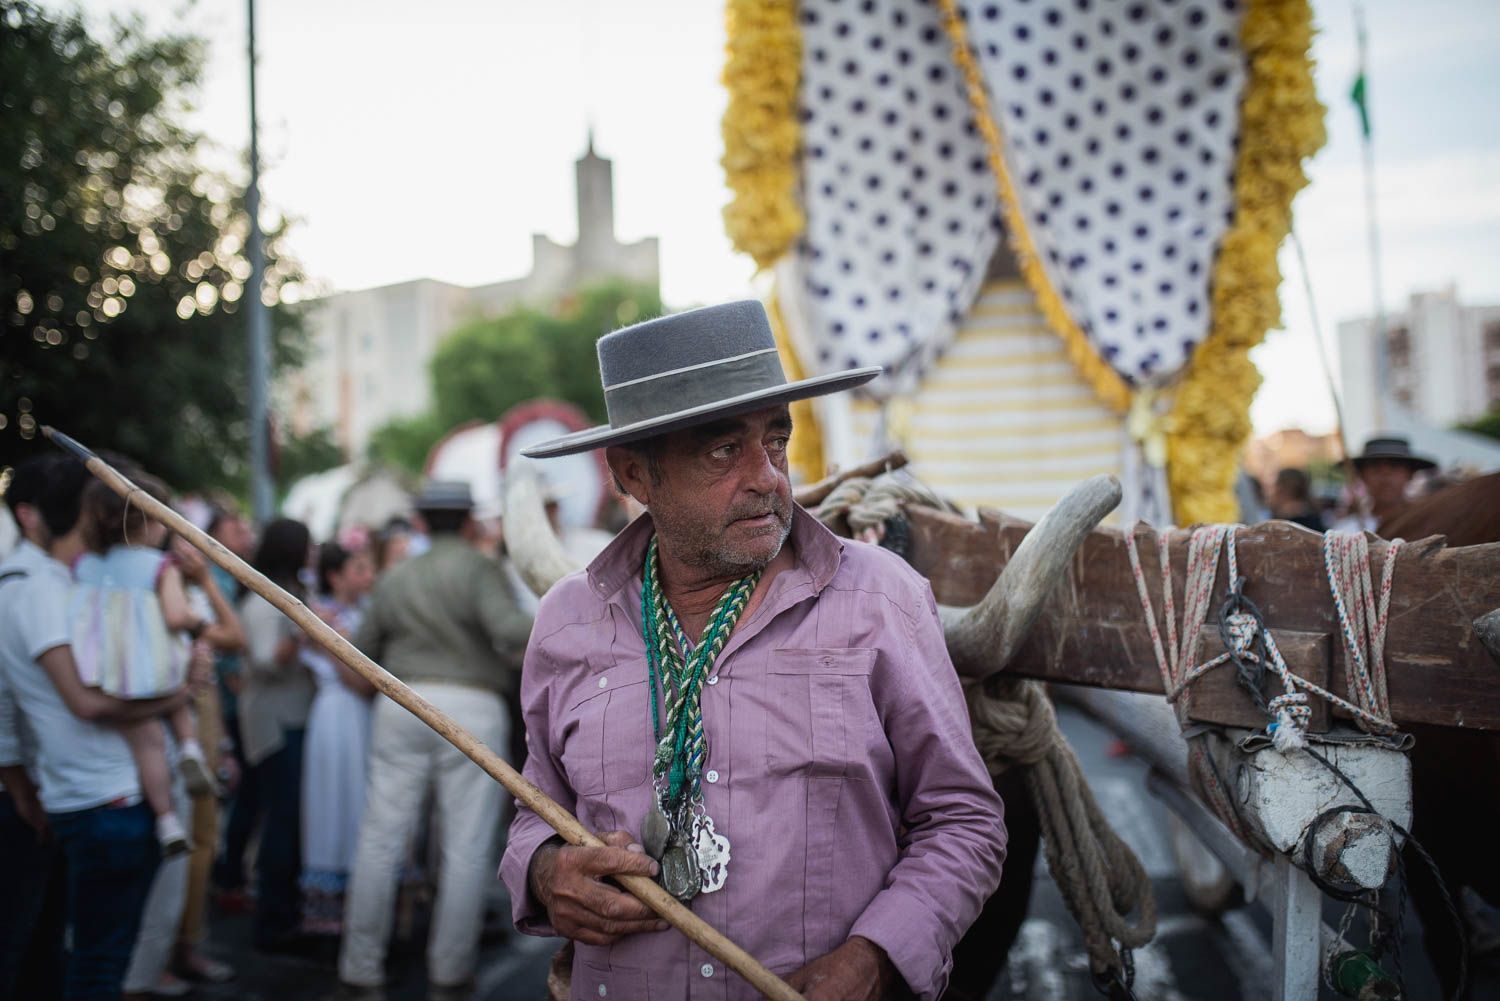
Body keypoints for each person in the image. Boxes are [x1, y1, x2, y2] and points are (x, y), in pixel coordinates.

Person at [501, 301, 1007, 1001]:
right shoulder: (565, 623)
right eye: (721, 450)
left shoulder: (881, 602)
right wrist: (545, 870)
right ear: (633, 473)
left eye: (776, 440)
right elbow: (535, 808)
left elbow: (964, 819)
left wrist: (875, 955)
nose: (768, 477)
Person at [0, 456, 206, 1001]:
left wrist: (21, 779)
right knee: (96, 967)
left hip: (90, 795)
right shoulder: (38, 588)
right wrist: (181, 691)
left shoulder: (67, 581)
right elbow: (87, 703)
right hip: (106, 798)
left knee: (68, 959)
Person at [333, 481, 531, 1001]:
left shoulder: (397, 576)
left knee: (380, 839)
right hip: (470, 708)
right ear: (467, 521)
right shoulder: (479, 568)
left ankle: (360, 972)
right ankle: (449, 975)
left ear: (421, 522)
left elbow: (360, 649)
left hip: (399, 702)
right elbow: (511, 632)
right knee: (465, 848)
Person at [72, 475, 223, 856]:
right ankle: (190, 747)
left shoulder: (86, 564)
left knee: (147, 743)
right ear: (150, 521)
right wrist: (195, 620)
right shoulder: (161, 564)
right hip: (157, 662)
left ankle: (166, 819)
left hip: (109, 669)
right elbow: (174, 616)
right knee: (176, 692)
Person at [0, 456, 66, 1001]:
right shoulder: (21, 584)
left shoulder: (54, 577)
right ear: (29, 515)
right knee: (18, 938)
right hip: (23, 794)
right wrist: (19, 785)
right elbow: (4, 701)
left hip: (53, 785)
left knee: (47, 939)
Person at [238, 518, 317, 953]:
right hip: (275, 722)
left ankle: (282, 909)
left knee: (287, 818)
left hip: (291, 715)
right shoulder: (267, 600)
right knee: (280, 821)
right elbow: (268, 660)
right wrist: (303, 629)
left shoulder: (288, 593)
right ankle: (273, 919)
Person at [300, 542, 377, 935]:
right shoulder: (320, 616)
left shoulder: (364, 613)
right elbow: (357, 682)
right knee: (334, 801)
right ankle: (328, 909)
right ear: (335, 576)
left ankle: (359, 902)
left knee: (359, 800)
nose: (369, 577)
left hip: (363, 719)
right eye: (360, 569)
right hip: (335, 714)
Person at [1331, 435, 1437, 533]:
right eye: (1375, 467)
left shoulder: (1428, 526)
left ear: (1410, 474)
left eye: (1394, 466)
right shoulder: (1346, 531)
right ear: (1362, 476)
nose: (1385, 475)